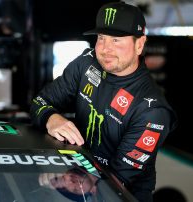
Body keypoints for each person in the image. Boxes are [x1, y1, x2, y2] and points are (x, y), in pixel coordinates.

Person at [30, 2, 177, 202]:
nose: (105, 49)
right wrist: (51, 118)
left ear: (139, 44)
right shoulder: (86, 63)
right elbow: (39, 103)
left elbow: (114, 183)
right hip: (77, 183)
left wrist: (64, 184)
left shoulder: (151, 110)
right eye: (101, 38)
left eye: (116, 40)